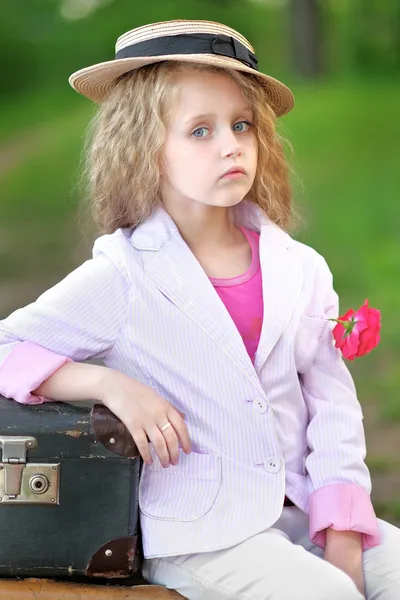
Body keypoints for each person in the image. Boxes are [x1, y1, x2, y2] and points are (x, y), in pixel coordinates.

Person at [0, 19, 399, 600]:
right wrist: (107, 382)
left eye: (241, 125)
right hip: (203, 534)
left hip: (302, 511)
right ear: (144, 148)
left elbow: (332, 404)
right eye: (200, 131)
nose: (230, 144)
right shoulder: (124, 273)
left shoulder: (301, 267)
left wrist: (341, 530)